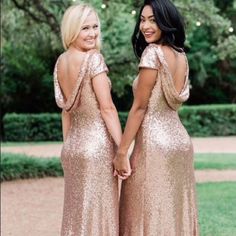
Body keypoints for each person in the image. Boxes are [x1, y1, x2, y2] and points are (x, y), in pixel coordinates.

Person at [113, 0, 199, 235]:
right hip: (179, 143)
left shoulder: (152, 54)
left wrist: (122, 153)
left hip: (154, 146)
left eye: (153, 20)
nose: (145, 26)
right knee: (173, 215)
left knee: (144, 213)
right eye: (142, 19)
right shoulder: (181, 56)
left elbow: (139, 108)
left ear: (166, 22)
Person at [53, 3, 122, 235]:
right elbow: (108, 108)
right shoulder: (94, 59)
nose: (92, 33)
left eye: (95, 27)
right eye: (85, 28)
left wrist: (67, 147)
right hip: (97, 149)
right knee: (98, 214)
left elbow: (66, 112)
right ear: (72, 30)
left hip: (73, 147)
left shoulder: (61, 62)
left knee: (77, 215)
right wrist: (122, 149)